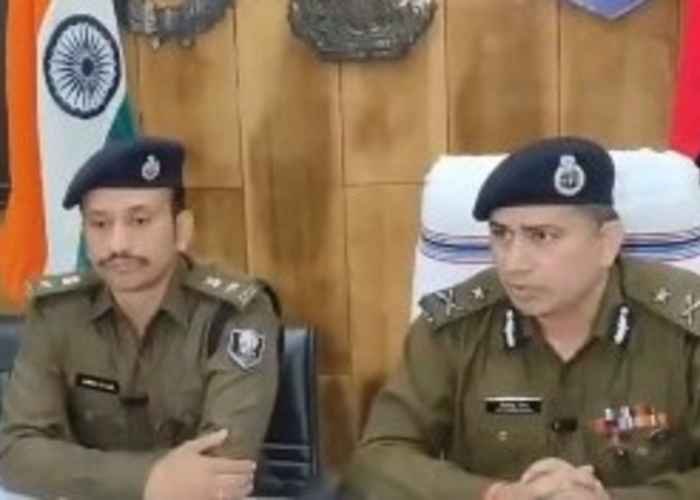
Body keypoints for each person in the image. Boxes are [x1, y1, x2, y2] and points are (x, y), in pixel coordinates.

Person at [343, 136, 700, 499]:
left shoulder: (687, 326)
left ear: (607, 243)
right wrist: (497, 495)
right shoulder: (455, 329)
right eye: (501, 234)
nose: (513, 263)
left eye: (542, 236)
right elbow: (376, 462)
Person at [0, 137, 280, 500]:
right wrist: (146, 481)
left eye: (140, 220)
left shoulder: (234, 314)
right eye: (100, 224)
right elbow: (15, 451)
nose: (118, 244)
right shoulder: (57, 313)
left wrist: (81, 474)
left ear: (182, 230)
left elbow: (221, 470)